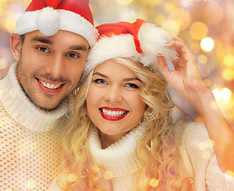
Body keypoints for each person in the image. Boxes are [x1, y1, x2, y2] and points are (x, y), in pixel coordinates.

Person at [49, 19, 234, 191]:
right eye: (100, 81)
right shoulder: (67, 178)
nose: (113, 97)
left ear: (149, 95)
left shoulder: (191, 145)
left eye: (131, 85)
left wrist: (201, 95)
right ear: (84, 90)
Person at [0, 0, 98, 191]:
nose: (56, 71)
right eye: (43, 49)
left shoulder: (88, 132)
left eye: (72, 54)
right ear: (16, 46)